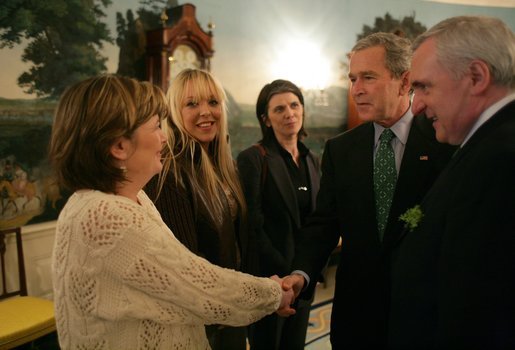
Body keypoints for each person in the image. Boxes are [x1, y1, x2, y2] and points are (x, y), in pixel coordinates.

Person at [49, 74, 295, 350]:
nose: (164, 138)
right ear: (119, 146)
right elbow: (194, 284)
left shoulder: (133, 198)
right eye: (156, 127)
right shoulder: (106, 215)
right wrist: (272, 294)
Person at [282, 32, 456, 349]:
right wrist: (300, 275)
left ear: (405, 82)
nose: (356, 89)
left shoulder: (444, 142)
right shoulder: (341, 150)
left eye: (368, 77)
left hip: (425, 319)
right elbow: (324, 224)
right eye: (352, 79)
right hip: (356, 320)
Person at [388, 16, 515, 350]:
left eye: (425, 87)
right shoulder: (486, 146)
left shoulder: (501, 159)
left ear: (476, 77)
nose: (417, 107)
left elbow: (481, 316)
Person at [145, 68, 253, 350]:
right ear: (173, 112)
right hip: (204, 320)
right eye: (192, 104)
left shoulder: (220, 161)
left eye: (213, 102)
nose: (206, 112)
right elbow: (185, 267)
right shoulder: (169, 171)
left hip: (230, 308)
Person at [237, 79, 321, 349]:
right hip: (269, 282)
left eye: (295, 105)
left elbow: (317, 221)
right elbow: (253, 226)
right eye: (279, 109)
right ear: (266, 119)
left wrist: (302, 273)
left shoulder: (312, 159)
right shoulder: (253, 159)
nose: (290, 113)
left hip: (304, 279)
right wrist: (285, 279)